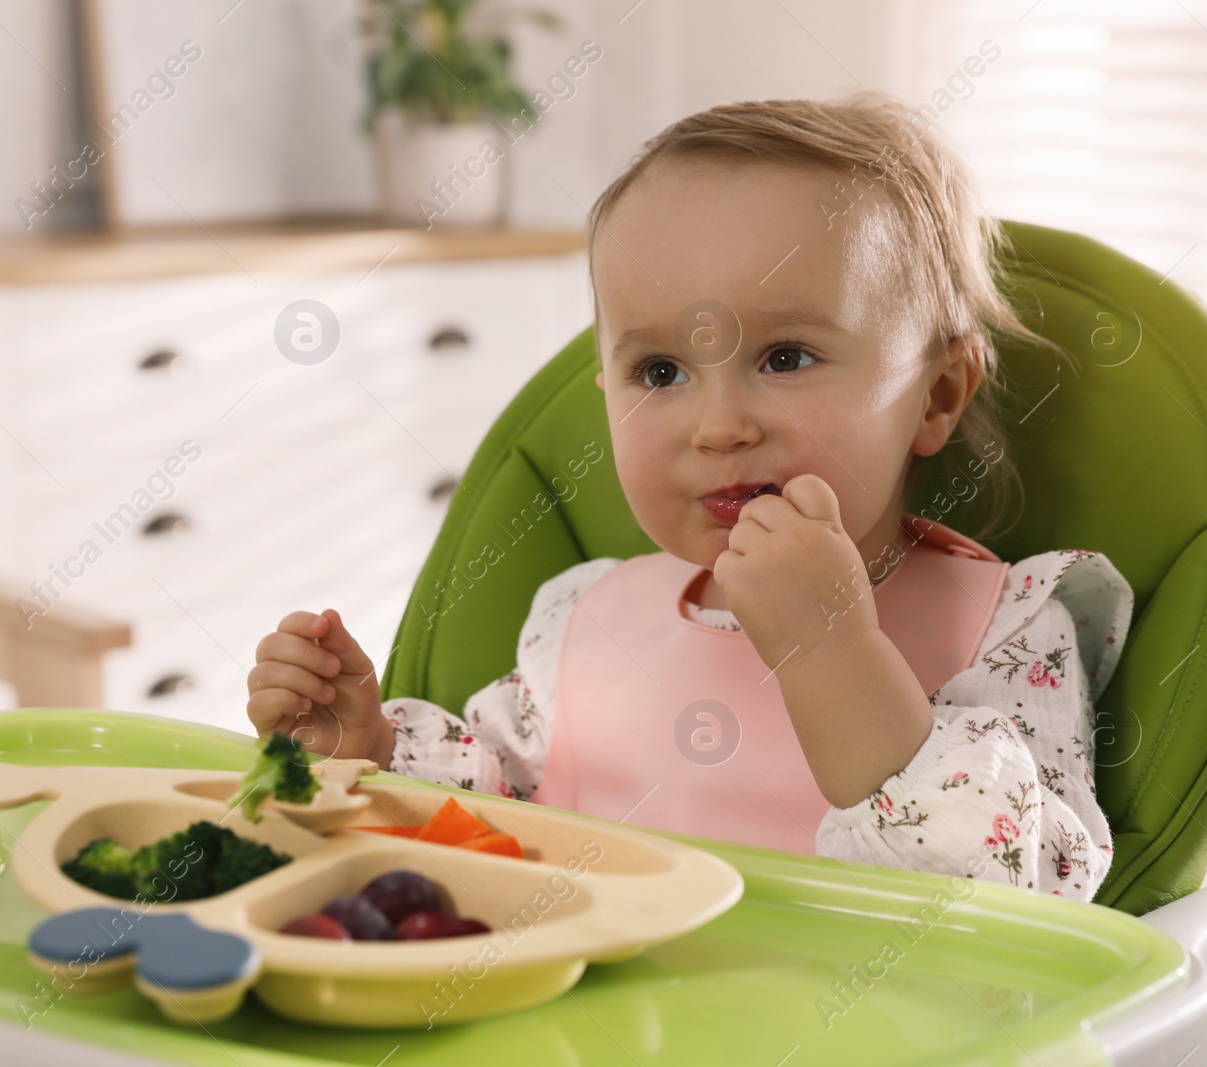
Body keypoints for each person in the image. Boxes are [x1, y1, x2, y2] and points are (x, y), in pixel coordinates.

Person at [245, 92, 1131, 902]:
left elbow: (1041, 899)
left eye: (785, 356)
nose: (717, 426)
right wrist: (368, 753)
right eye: (660, 370)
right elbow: (489, 818)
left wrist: (833, 657)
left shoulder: (1006, 625)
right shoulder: (584, 617)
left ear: (936, 394)